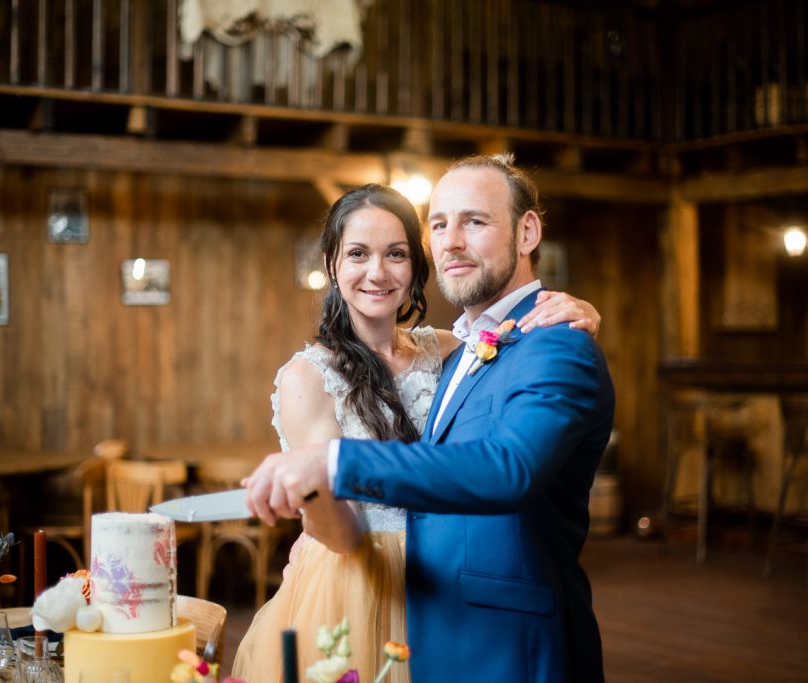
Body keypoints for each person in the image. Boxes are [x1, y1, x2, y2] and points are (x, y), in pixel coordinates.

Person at [244, 154, 614, 683]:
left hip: (477, 617)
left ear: (527, 231)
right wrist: (316, 499)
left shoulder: (457, 348)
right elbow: (344, 529)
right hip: (367, 592)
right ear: (332, 265)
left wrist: (580, 312)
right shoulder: (451, 348)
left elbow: (504, 464)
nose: (452, 241)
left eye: (475, 221)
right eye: (440, 225)